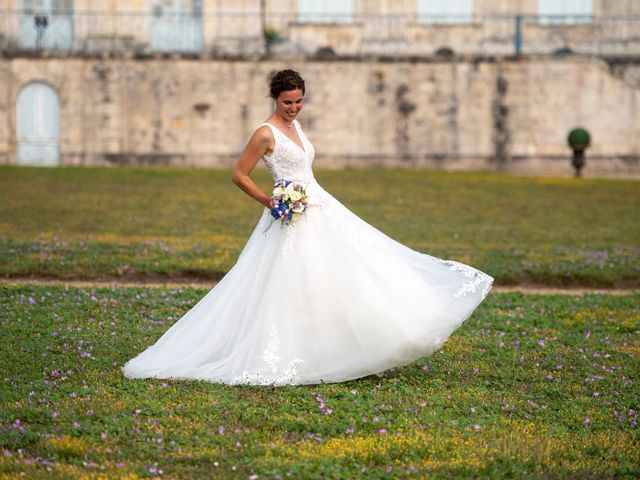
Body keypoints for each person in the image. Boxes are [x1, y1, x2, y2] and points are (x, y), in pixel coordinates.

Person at [121, 69, 493, 386]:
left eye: (298, 102)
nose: (294, 108)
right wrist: (272, 201)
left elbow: (304, 167)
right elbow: (239, 174)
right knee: (292, 282)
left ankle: (354, 343)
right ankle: (292, 350)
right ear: (275, 99)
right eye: (287, 102)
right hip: (290, 214)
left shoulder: (296, 125)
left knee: (350, 269)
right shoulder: (265, 133)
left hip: (319, 205)